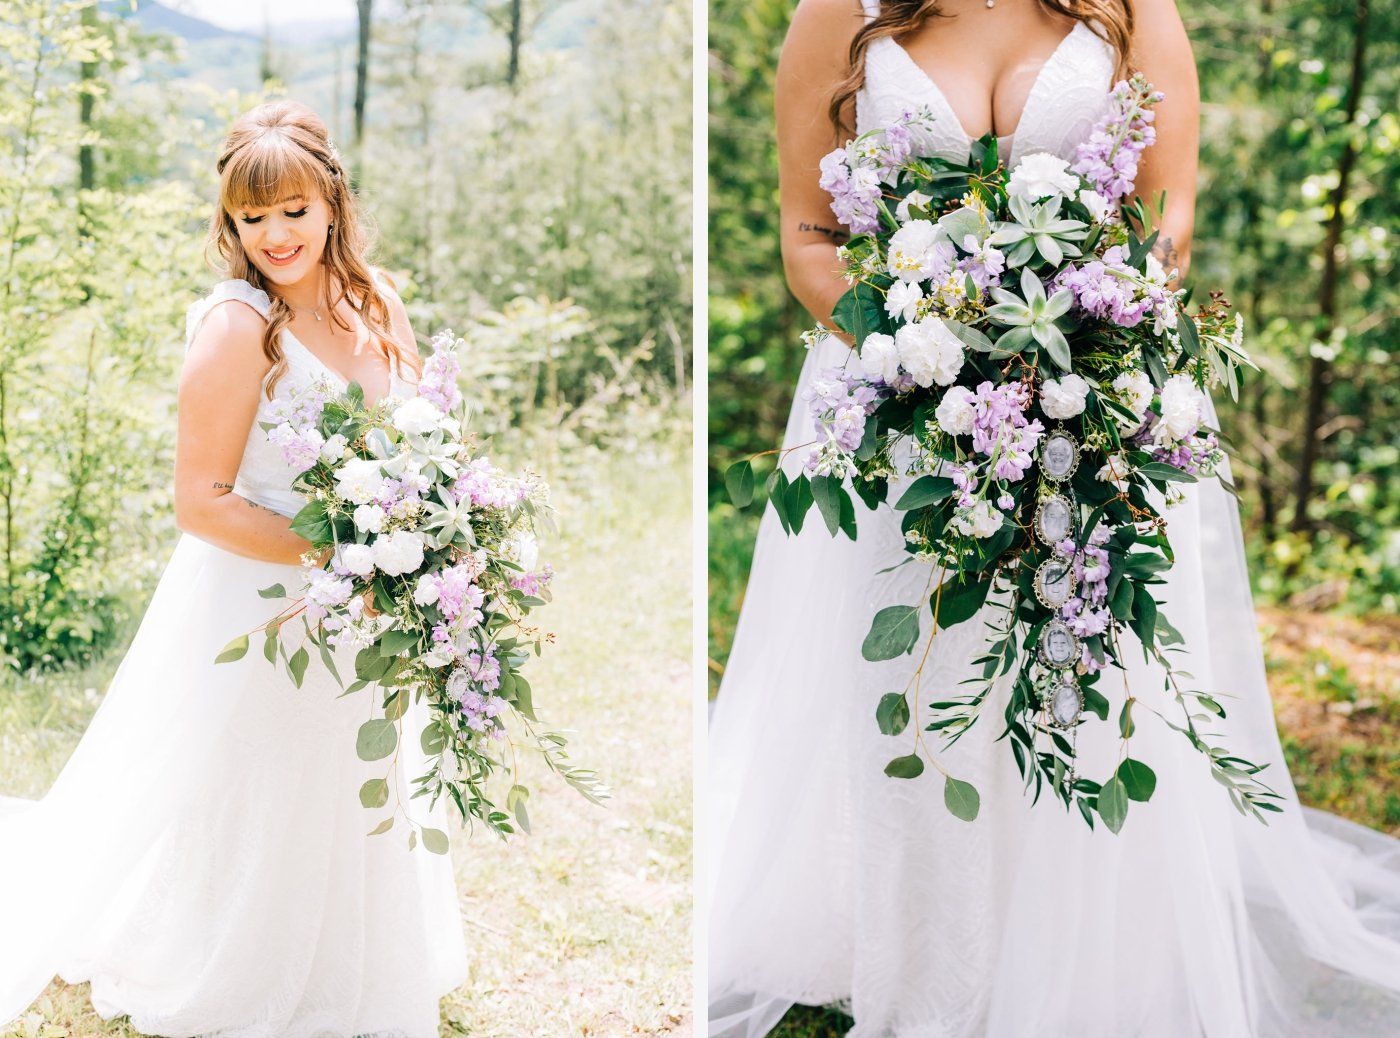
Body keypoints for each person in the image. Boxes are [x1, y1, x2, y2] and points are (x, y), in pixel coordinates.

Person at [706, 2, 1400, 1035]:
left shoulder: (1130, 10)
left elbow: (1165, 220)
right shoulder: (835, 14)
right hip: (896, 402)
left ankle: (1077, 946)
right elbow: (811, 235)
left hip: (1091, 392)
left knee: (1082, 660)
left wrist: (1066, 337)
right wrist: (918, 350)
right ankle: (922, 958)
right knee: (912, 662)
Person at [0, 101, 468, 1035]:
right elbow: (201, 501)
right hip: (261, 600)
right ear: (230, 224)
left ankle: (345, 960)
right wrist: (349, 553)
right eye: (251, 218)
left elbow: (429, 434)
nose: (274, 235)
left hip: (375, 599)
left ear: (331, 201)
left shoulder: (379, 301)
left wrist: (440, 530)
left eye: (292, 210)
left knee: (350, 779)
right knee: (262, 784)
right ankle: (240, 963)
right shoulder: (234, 327)